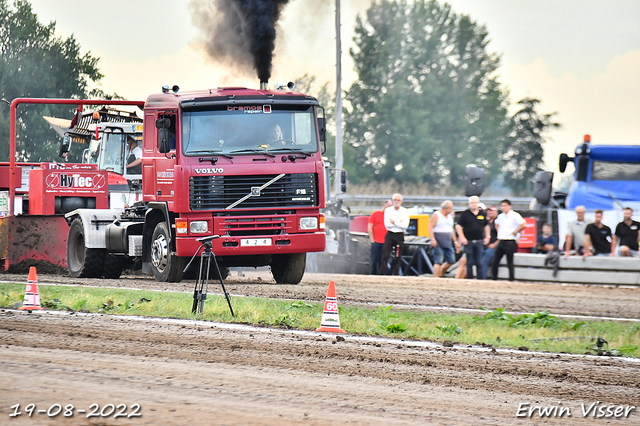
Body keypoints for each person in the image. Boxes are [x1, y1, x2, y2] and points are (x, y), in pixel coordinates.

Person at [455, 196, 490, 279]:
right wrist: (462, 237)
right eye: (472, 203)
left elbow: (486, 226)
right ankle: (470, 278)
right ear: (469, 204)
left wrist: (487, 236)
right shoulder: (465, 214)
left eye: (475, 203)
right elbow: (459, 226)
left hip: (479, 241)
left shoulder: (482, 214)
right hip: (469, 241)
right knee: (469, 261)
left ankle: (480, 278)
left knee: (480, 261)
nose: (473, 204)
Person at [491, 199, 526, 281]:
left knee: (510, 261)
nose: (503, 208)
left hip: (510, 240)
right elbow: (497, 224)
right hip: (502, 239)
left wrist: (516, 232)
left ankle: (511, 278)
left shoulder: (515, 215)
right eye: (502, 206)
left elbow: (523, 224)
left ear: (509, 206)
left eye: (505, 206)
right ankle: (494, 278)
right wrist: (500, 232)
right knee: (495, 260)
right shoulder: (501, 216)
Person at [379, 193, 410, 275]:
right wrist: (399, 223)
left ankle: (395, 273)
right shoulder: (388, 210)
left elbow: (404, 225)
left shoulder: (405, 211)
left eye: (398, 200)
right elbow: (387, 224)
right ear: (392, 201)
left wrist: (394, 222)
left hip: (399, 235)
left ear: (401, 201)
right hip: (390, 234)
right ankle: (382, 273)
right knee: (385, 254)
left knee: (398, 256)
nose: (396, 202)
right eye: (395, 200)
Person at [428, 200, 459, 278]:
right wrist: (432, 239)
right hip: (438, 239)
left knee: (451, 260)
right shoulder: (436, 215)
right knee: (438, 260)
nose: (451, 210)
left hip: (447, 241)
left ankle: (440, 272)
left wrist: (455, 242)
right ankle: (436, 277)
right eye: (450, 209)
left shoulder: (450, 217)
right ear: (445, 208)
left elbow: (451, 229)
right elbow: (430, 227)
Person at [368, 199, 392, 275]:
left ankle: (383, 274)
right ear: (383, 205)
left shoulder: (389, 216)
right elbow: (370, 227)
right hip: (377, 241)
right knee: (375, 259)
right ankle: (373, 274)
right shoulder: (375, 214)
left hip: (386, 242)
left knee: (384, 260)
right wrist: (372, 240)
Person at [480, 205, 499, 279]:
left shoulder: (497, 222)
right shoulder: (485, 222)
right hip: (483, 245)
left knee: (485, 259)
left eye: (492, 211)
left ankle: (482, 278)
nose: (489, 212)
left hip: (493, 247)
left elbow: (501, 236)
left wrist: (495, 244)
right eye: (488, 210)